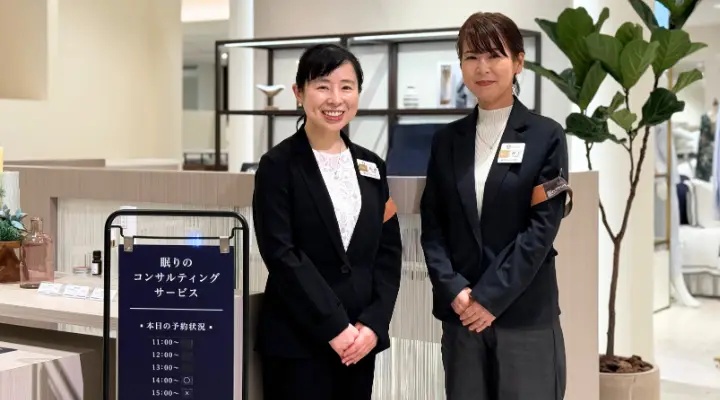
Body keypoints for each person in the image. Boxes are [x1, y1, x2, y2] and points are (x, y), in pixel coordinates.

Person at [420, 12, 573, 400]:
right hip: (462, 315)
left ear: (518, 62)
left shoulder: (546, 136)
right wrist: (455, 289)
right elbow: (433, 225)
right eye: (471, 57)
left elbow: (541, 231)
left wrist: (489, 297)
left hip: (524, 315)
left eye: (494, 55)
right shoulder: (446, 141)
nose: (482, 67)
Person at [252, 43, 403, 400]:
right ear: (298, 93)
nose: (335, 99)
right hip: (298, 341)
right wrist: (335, 327)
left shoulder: (372, 166)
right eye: (322, 86)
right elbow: (281, 254)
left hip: (359, 343)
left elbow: (388, 252)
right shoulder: (278, 165)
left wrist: (373, 324)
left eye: (346, 87)